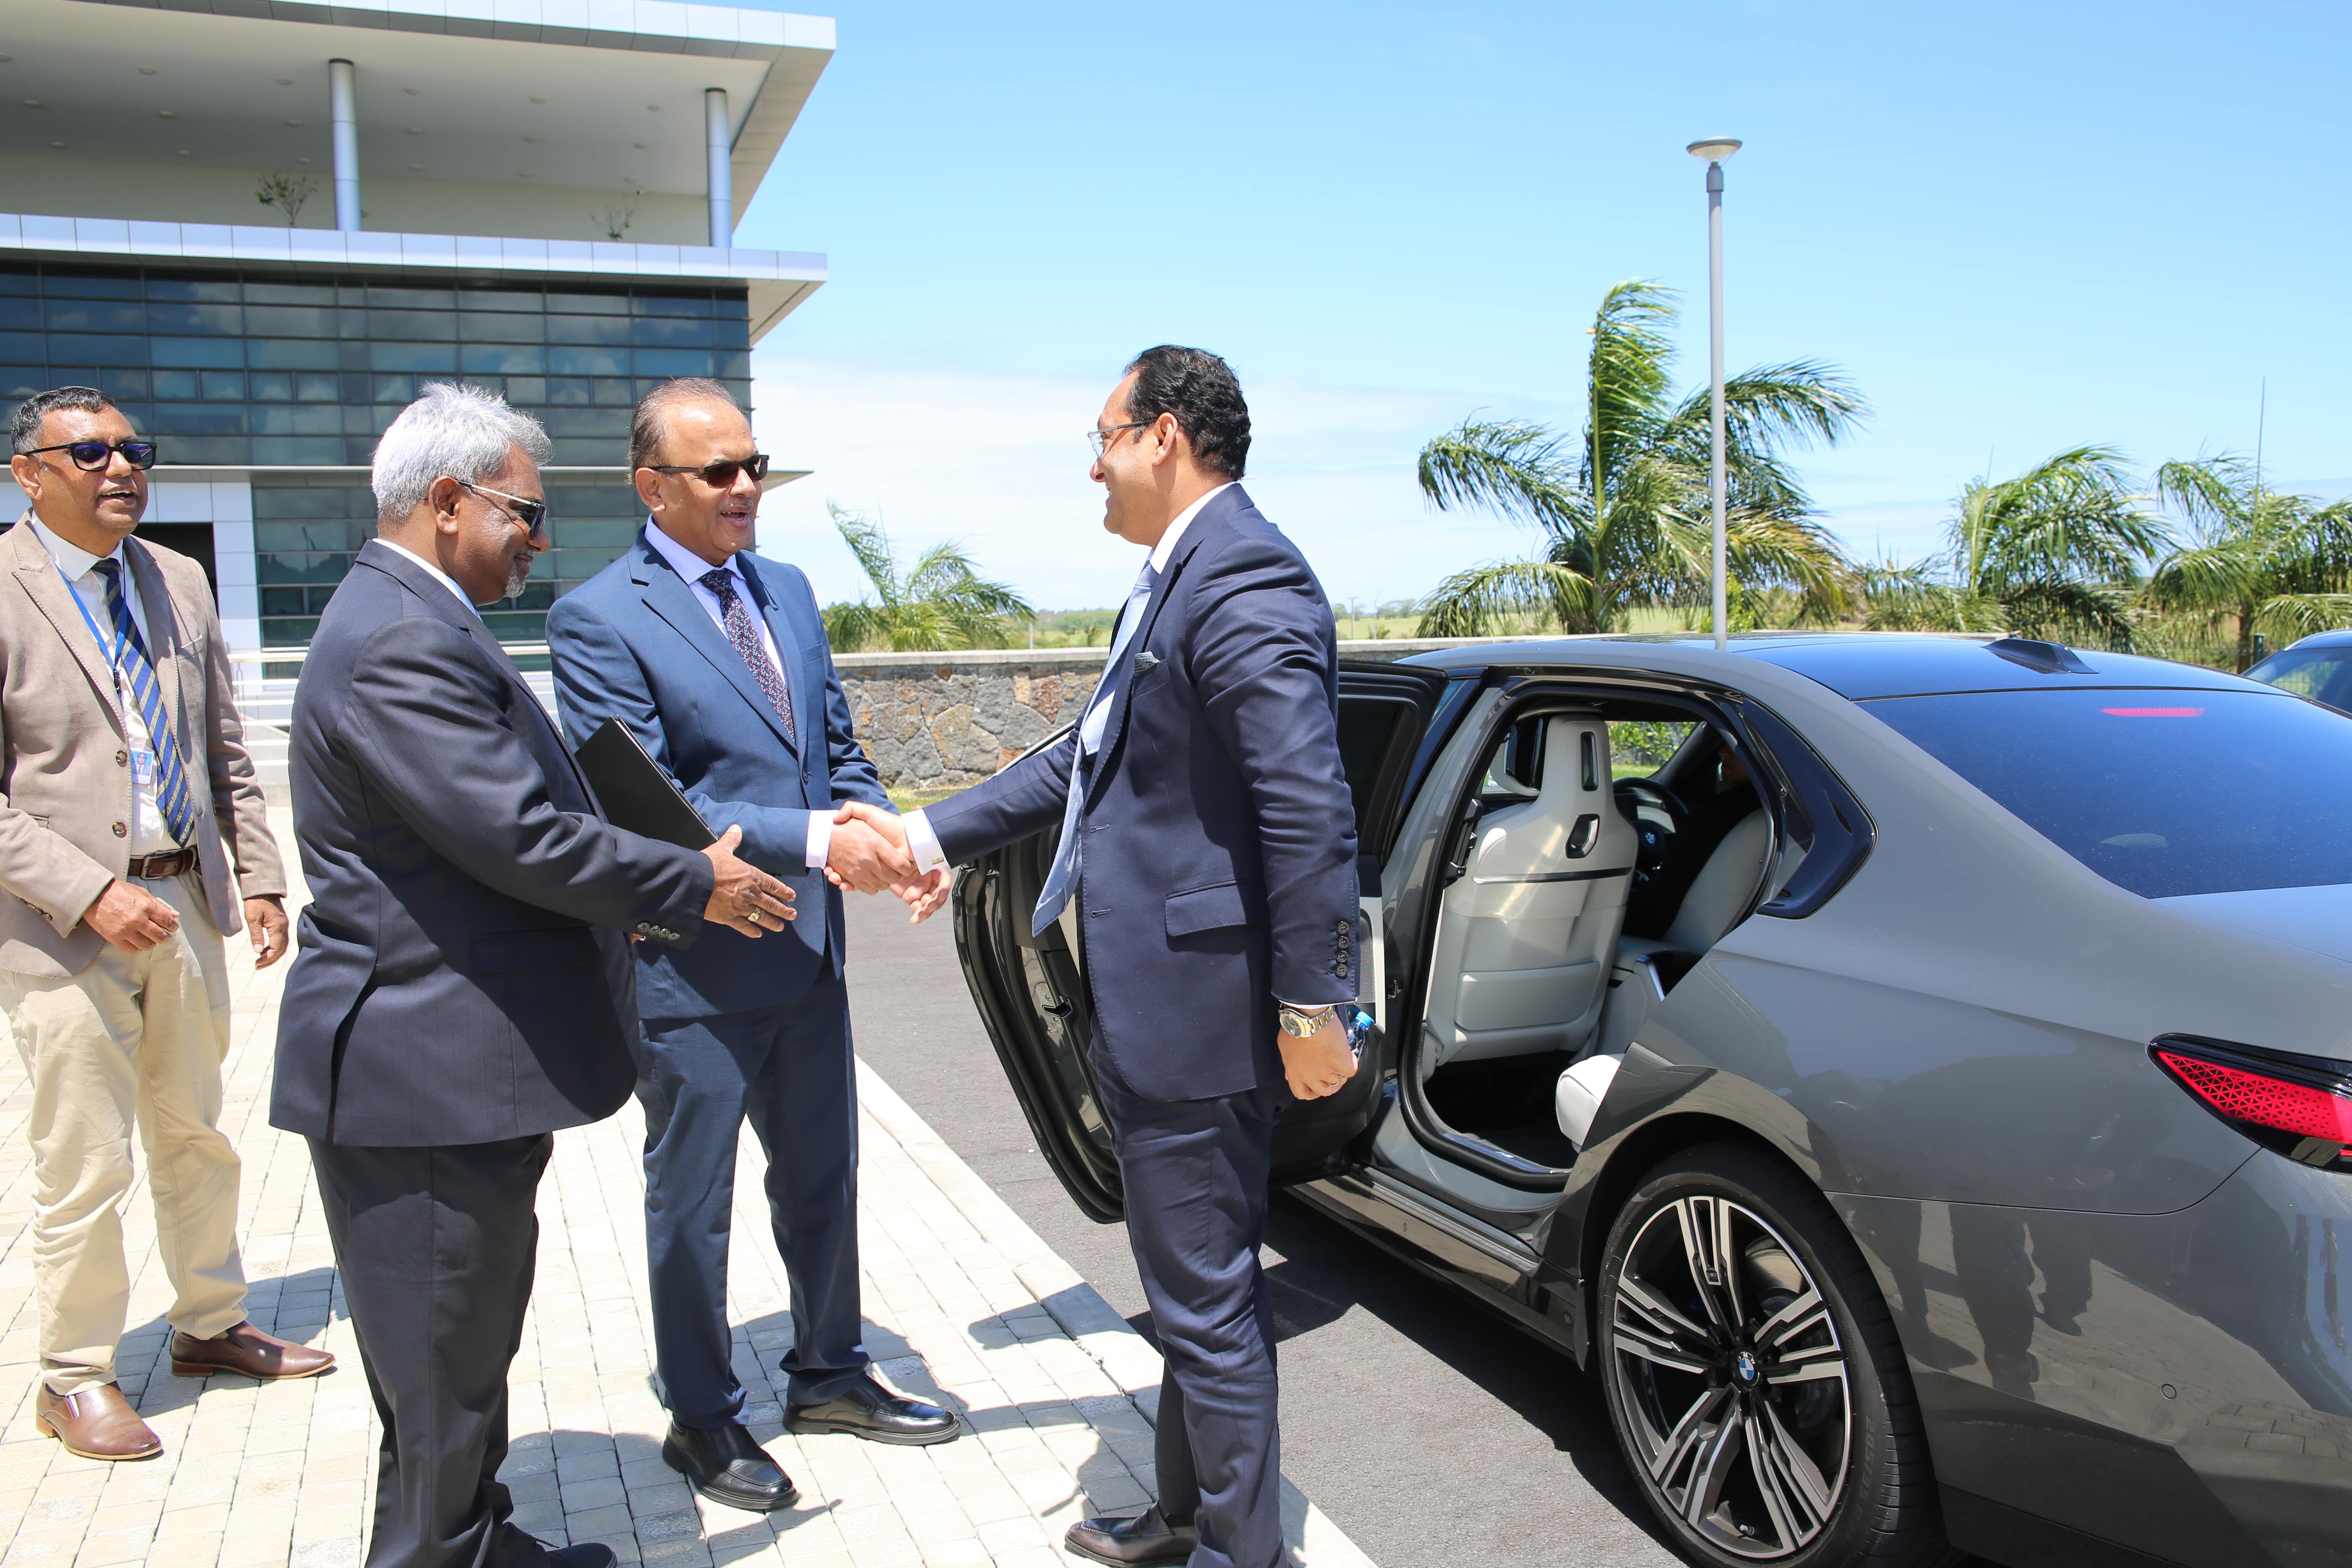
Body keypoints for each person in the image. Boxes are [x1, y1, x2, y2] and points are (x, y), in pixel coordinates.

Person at [270, 382, 799, 1568]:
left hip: (450, 1075)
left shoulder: (412, 614)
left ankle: (474, 1536)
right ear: (448, 500)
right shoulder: (400, 637)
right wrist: (690, 878)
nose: (538, 541)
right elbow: (517, 837)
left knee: (457, 1362)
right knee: (440, 1367)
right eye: (526, 513)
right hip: (420, 1081)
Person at [851, 347, 1362, 1568]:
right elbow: (1083, 758)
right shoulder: (1183, 576)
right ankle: (1188, 1516)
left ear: (1164, 435)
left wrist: (1314, 1006)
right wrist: (924, 835)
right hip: (1172, 1008)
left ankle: (1242, 1551)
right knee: (1200, 1290)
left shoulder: (1241, 579)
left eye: (1104, 437)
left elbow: (1308, 809)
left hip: (1198, 1017)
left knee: (1208, 1304)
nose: (1094, 465)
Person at [544, 378, 956, 1515]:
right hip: (694, 962)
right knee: (696, 1204)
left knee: (824, 1179)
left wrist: (898, 840)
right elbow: (649, 804)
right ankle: (703, 1417)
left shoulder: (790, 590)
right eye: (718, 470)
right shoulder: (596, 618)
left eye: (754, 466)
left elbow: (835, 753)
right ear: (652, 486)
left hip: (807, 957)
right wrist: (824, 840)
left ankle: (829, 1374)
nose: (745, 487)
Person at [2, 386, 330, 1463]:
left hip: (184, 903)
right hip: (62, 927)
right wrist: (87, 892)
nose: (121, 468)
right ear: (29, 474)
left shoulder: (177, 579)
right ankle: (74, 1377)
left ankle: (209, 1324)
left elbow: (223, 745)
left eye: (132, 449)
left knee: (195, 1133)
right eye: (90, 454)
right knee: (85, 1159)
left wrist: (262, 878)